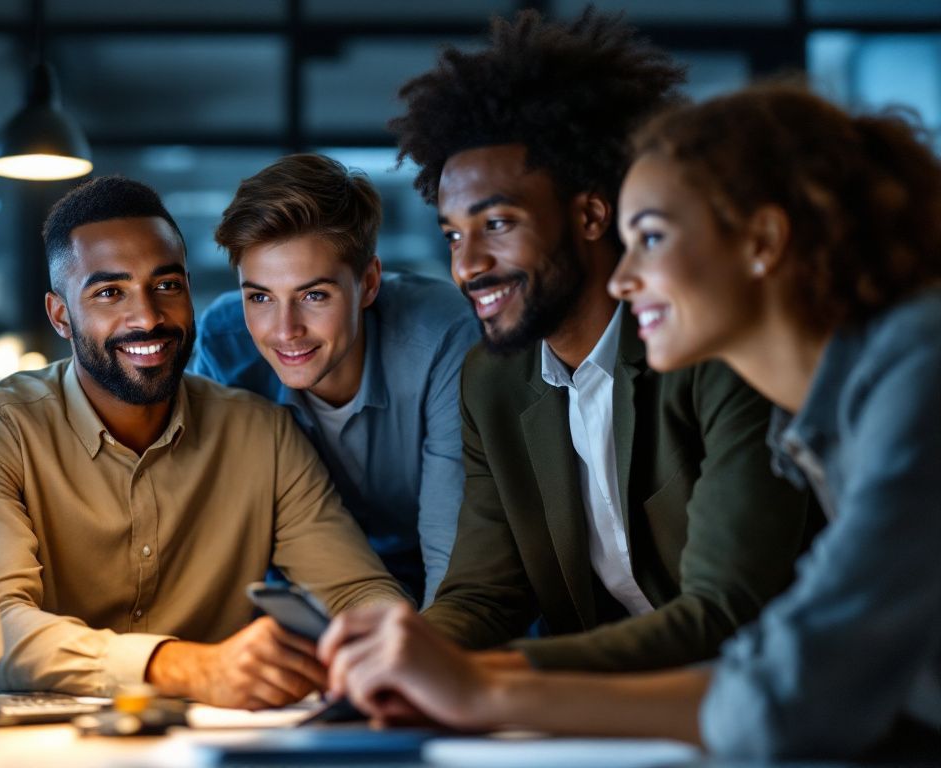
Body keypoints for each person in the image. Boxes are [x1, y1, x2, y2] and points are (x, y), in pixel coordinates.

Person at [321, 83, 941, 761]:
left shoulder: (908, 374)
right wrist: (424, 668)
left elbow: (780, 672)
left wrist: (485, 689)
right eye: (451, 234)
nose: (623, 277)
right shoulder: (840, 402)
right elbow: (788, 666)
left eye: (649, 237)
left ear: (763, 239)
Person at [382, 8, 813, 673]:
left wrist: (495, 675)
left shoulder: (714, 353)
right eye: (452, 234)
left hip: (761, 694)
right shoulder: (493, 380)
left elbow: (727, 609)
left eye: (496, 223)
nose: (465, 265)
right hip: (619, 711)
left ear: (589, 214)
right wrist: (402, 652)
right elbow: (485, 591)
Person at [0, 176, 410, 709]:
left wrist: (391, 646)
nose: (148, 317)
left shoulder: (263, 435)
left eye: (167, 285)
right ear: (61, 315)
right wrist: (183, 666)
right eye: (110, 292)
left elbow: (354, 591)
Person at [191, 154, 481, 606]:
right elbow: (217, 524)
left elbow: (454, 565)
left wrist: (420, 668)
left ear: (368, 283)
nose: (285, 330)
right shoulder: (224, 343)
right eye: (261, 297)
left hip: (438, 581)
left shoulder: (442, 336)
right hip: (305, 594)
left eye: (313, 295)